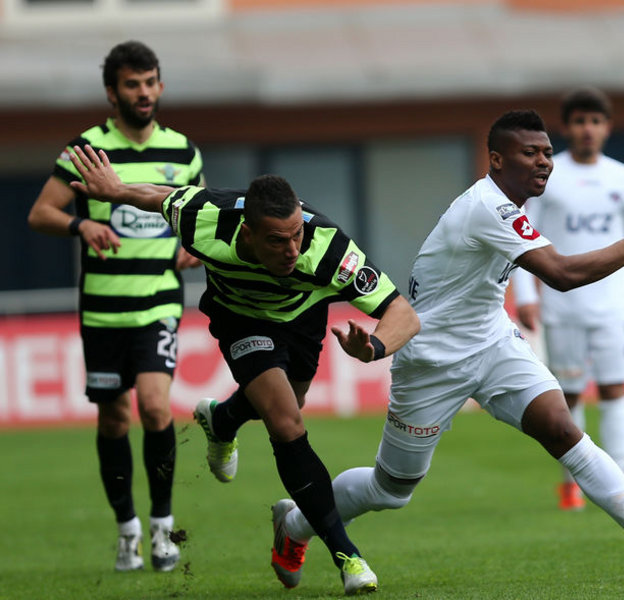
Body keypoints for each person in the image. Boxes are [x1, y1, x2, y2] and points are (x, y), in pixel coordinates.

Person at [270, 109, 624, 586]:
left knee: (563, 429)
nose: (543, 162)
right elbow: (562, 274)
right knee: (391, 489)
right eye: (529, 153)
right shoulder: (488, 207)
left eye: (547, 153)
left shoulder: (511, 206)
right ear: (496, 159)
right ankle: (295, 523)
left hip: (494, 345)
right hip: (431, 362)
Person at [65, 143, 420, 595]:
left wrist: (373, 347)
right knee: (287, 422)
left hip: (301, 318)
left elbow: (403, 314)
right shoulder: (204, 218)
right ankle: (348, 556)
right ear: (247, 233)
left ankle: (223, 419)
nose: (291, 250)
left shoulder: (328, 249)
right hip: (241, 318)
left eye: (296, 235)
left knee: (292, 400)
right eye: (277, 240)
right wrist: (115, 191)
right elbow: (158, 195)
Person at [27, 41, 204, 572]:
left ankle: (163, 529)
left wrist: (193, 247)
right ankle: (127, 530)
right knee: (114, 419)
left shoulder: (183, 153)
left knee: (154, 407)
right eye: (132, 84)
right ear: (113, 93)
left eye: (150, 82)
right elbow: (41, 213)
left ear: (160, 86)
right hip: (103, 309)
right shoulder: (86, 150)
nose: (143, 93)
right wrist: (81, 224)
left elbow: (200, 219)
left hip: (158, 303)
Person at [509, 88, 624, 510]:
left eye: (595, 121)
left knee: (614, 388)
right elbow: (522, 236)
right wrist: (526, 294)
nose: (587, 129)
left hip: (613, 305)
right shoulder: (548, 175)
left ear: (607, 127)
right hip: (563, 306)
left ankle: (619, 483)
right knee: (568, 394)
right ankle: (572, 483)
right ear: (566, 127)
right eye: (579, 121)